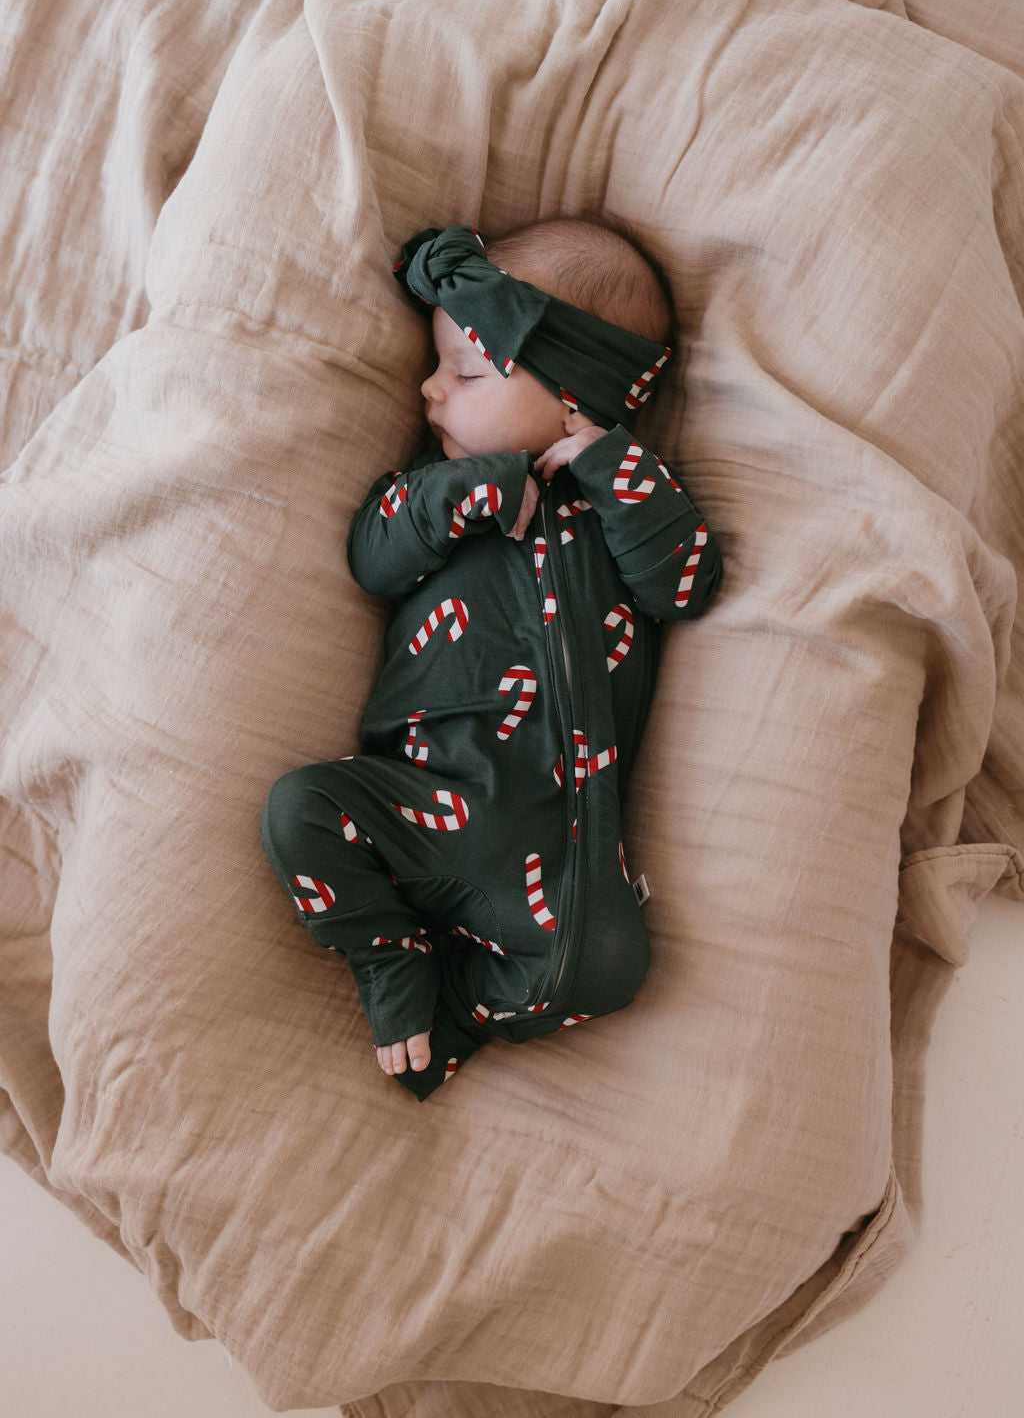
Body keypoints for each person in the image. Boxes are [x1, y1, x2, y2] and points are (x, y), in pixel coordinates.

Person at [260, 217, 723, 1100]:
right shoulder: (433, 493)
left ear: (576, 396)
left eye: (466, 371)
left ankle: (460, 1010)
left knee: (611, 966)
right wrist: (465, 492)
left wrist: (612, 465)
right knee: (299, 809)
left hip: (548, 846)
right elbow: (373, 554)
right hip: (422, 802)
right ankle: (390, 958)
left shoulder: (622, 507)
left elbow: (687, 584)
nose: (430, 391)